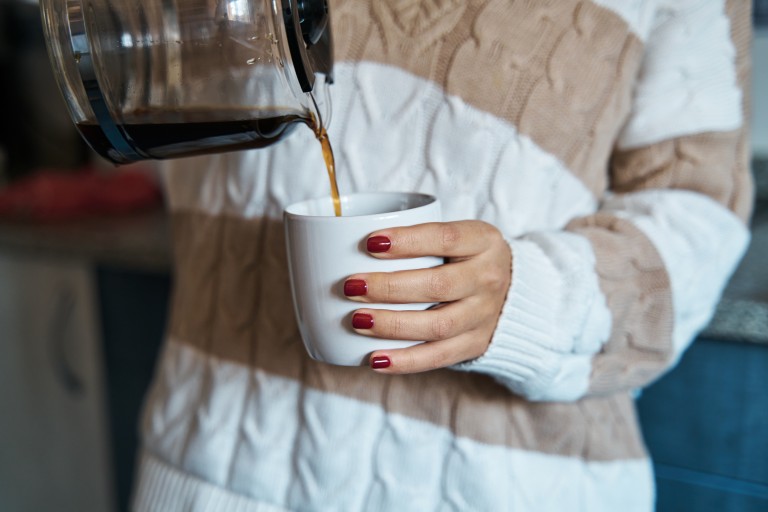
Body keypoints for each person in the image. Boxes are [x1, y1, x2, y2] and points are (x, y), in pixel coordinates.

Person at [132, 0, 754, 510]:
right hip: (215, 468)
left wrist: (530, 296)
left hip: (506, 486)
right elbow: (154, 101)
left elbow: (699, 211)